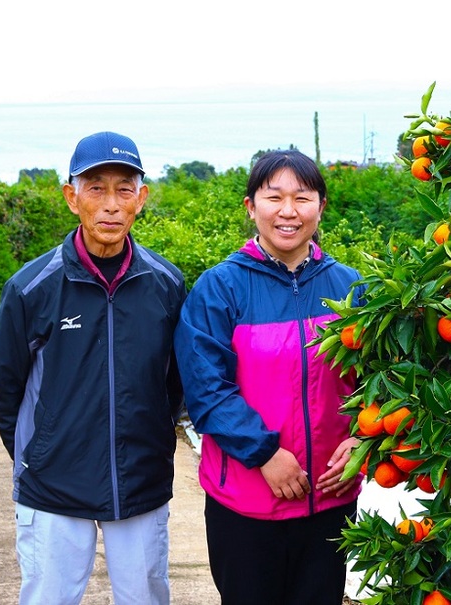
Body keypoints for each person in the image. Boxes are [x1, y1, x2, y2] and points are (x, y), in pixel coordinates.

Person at [0, 131, 186, 605]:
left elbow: (174, 381)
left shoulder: (166, 284)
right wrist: (41, 449)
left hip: (140, 483)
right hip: (53, 486)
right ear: (71, 198)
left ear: (142, 198)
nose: (111, 204)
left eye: (124, 188)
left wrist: (152, 440)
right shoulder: (33, 286)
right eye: (96, 188)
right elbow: (2, 380)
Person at [173, 149, 365, 605]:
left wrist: (363, 438)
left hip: (330, 500)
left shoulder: (351, 288)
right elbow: (205, 388)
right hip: (246, 501)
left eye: (302, 198)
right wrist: (263, 454)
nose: (288, 211)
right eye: (274, 197)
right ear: (250, 206)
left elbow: (379, 379)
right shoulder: (220, 288)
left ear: (321, 206)